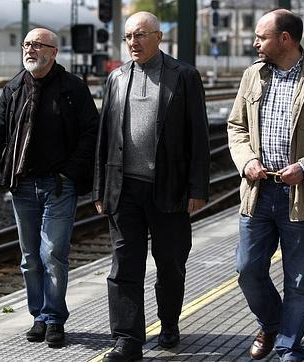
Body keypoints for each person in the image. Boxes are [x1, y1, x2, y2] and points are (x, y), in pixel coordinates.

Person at [227, 9, 304, 362]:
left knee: (297, 281)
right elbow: (236, 127)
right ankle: (271, 324)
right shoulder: (253, 75)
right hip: (258, 192)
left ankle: (288, 346)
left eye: (261, 37)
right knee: (247, 269)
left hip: (303, 196)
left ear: (285, 39)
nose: (255, 43)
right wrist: (247, 160)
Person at [93, 12, 210, 361]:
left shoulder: (184, 76)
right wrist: (100, 189)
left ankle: (169, 322)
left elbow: (198, 136)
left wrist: (197, 188)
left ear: (159, 37)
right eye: (128, 36)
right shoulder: (115, 78)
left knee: (170, 263)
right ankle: (127, 339)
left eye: (141, 35)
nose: (133, 42)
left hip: (168, 188)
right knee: (124, 265)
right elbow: (105, 137)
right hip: (124, 188)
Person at [0, 28, 99, 348]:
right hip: (22, 185)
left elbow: (90, 134)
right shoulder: (14, 88)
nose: (30, 50)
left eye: (37, 45)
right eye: (27, 44)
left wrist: (69, 174)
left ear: (53, 52)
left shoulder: (73, 88)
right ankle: (39, 316)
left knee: (53, 253)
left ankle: (55, 317)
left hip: (59, 185)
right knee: (30, 256)